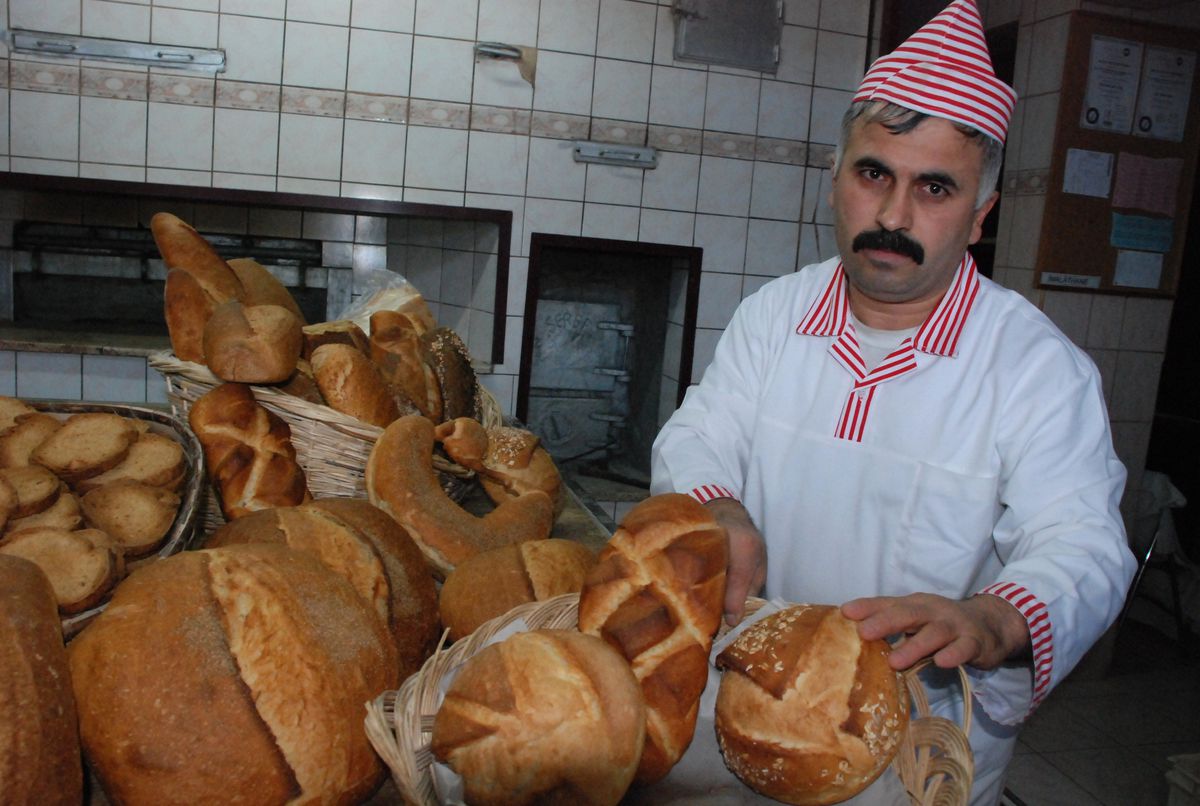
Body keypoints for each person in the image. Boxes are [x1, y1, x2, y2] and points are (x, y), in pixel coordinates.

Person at [650, 1, 1136, 803]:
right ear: (835, 178)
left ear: (979, 217)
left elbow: (1082, 543)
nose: (893, 215)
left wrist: (990, 618)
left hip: (915, 743)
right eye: (874, 173)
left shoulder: (1036, 369)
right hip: (751, 710)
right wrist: (718, 507)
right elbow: (701, 430)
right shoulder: (776, 315)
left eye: (935, 188)